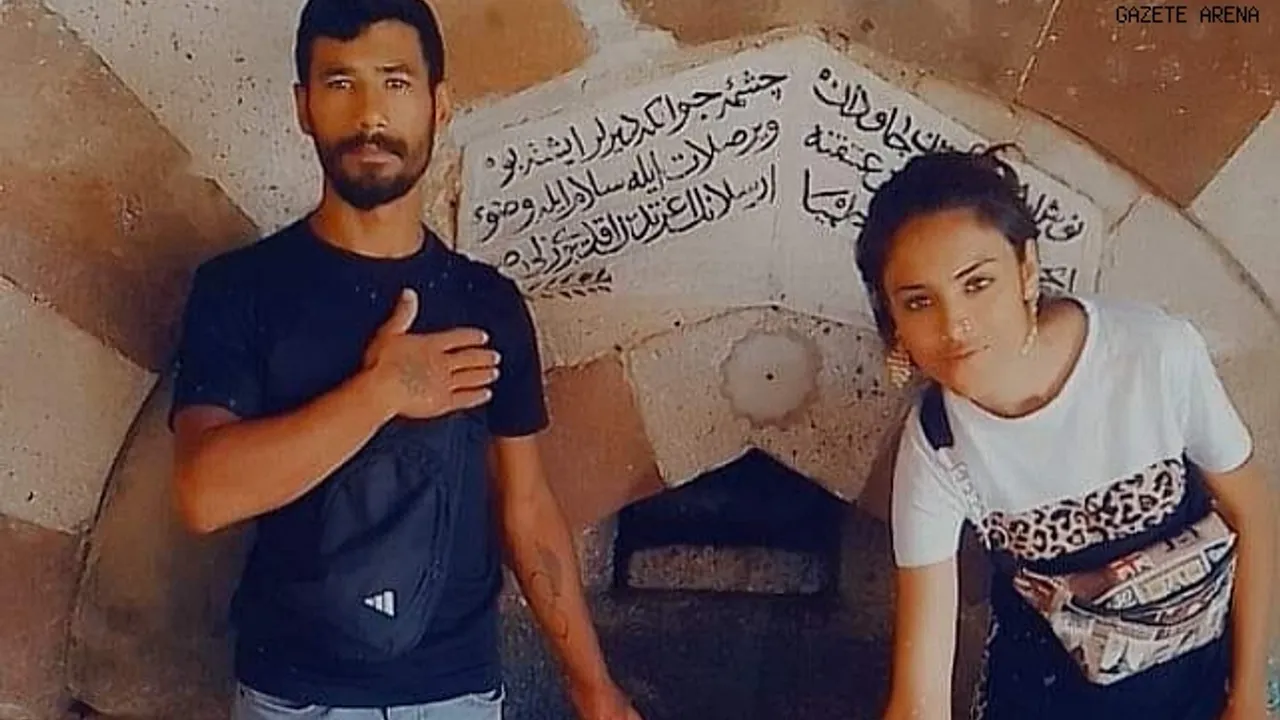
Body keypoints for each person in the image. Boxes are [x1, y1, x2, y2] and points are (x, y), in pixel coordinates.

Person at [168, 1, 643, 718]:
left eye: (395, 82)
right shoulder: (241, 289)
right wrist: (381, 391)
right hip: (296, 698)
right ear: (303, 107)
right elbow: (204, 495)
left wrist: (592, 686)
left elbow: (526, 509)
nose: (370, 114)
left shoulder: (485, 303)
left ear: (438, 104)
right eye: (339, 83)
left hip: (455, 693)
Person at [856, 146, 1275, 719]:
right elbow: (920, 694)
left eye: (977, 283)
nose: (955, 325)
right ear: (894, 322)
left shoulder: (1153, 355)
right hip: (1047, 698)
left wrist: (1247, 695)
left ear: (1027, 269)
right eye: (919, 302)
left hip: (1200, 684)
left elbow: (1254, 512)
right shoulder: (937, 447)